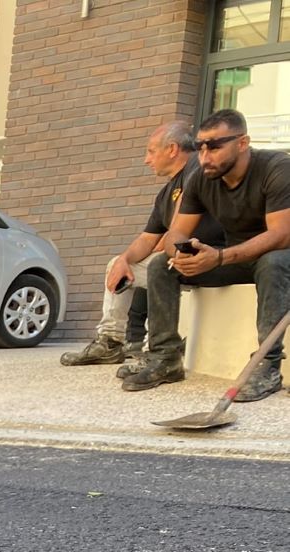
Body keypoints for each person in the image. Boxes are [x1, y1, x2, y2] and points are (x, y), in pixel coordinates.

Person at [123, 109, 290, 400]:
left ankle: (268, 366)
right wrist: (184, 254)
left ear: (242, 143)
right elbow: (175, 232)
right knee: (163, 264)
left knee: (272, 262)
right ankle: (166, 358)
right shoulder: (201, 178)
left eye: (214, 146)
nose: (205, 155)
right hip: (236, 259)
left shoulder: (276, 168)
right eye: (200, 146)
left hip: (279, 256)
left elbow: (281, 235)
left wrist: (220, 257)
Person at [60, 121, 221, 372]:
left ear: (172, 149)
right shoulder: (166, 192)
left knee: (157, 265)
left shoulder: (196, 172)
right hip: (176, 259)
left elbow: (178, 230)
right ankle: (111, 342)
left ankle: (157, 350)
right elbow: (148, 238)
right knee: (118, 264)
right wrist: (125, 259)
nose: (147, 160)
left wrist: (157, 249)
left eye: (150, 151)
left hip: (209, 257)